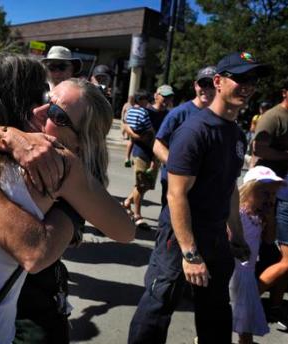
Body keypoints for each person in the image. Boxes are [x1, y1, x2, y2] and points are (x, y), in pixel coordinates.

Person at [0, 52, 135, 343]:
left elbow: (122, 231)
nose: (40, 109)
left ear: (80, 141)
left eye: (57, 115)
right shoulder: (5, 143)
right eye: (45, 96)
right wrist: (9, 137)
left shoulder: (61, 165)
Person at [128, 51, 269, 344]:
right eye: (239, 78)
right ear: (217, 82)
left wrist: (237, 235)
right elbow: (176, 193)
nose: (247, 85)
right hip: (181, 237)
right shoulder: (195, 129)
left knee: (216, 310)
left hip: (216, 236)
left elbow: (229, 186)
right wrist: (190, 254)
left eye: (252, 80)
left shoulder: (236, 134)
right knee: (159, 304)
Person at [230, 166, 284, 344]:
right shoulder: (239, 214)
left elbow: (269, 240)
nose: (269, 199)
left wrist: (270, 218)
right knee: (240, 317)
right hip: (236, 273)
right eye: (264, 193)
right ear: (247, 191)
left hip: (248, 274)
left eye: (272, 195)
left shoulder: (260, 217)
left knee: (242, 315)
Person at [153, 66, 217, 207]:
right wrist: (179, 168)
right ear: (195, 86)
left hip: (204, 187)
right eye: (203, 84)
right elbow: (158, 146)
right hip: (176, 184)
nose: (207, 89)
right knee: (172, 225)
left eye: (211, 85)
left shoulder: (219, 117)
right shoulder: (179, 113)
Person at [253, 79, 288, 329]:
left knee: (279, 257)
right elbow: (259, 149)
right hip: (272, 195)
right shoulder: (273, 117)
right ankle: (246, 301)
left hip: (279, 196)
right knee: (282, 258)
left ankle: (275, 305)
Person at [122, 89, 155, 229]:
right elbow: (149, 128)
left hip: (135, 140)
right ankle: (136, 214)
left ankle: (128, 201)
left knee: (143, 183)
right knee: (142, 183)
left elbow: (126, 122)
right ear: (142, 100)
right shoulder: (143, 112)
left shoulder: (130, 111)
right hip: (144, 143)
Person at [121, 95, 135, 164]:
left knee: (131, 140)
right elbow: (123, 111)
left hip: (131, 121)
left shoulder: (134, 105)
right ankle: (124, 136)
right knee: (125, 130)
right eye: (129, 98)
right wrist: (123, 117)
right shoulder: (126, 104)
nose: (130, 99)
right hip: (126, 119)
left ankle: (130, 158)